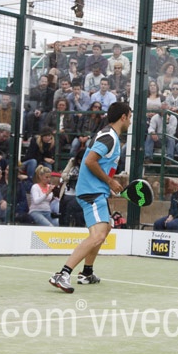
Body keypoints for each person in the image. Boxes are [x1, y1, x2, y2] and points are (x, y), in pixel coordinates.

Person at [49, 102, 132, 293]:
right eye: (129, 117)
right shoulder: (109, 137)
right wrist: (109, 181)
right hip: (91, 191)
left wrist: (108, 184)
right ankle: (62, 274)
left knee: (106, 228)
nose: (130, 121)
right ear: (123, 117)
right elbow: (90, 161)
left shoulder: (109, 135)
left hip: (96, 190)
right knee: (98, 235)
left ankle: (87, 272)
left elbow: (99, 164)